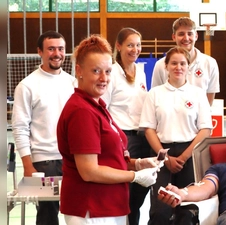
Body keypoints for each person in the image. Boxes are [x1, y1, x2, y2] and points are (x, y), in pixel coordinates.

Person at [56, 34, 159, 225]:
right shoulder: (82, 111)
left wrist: (137, 164)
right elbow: (89, 171)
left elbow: (107, 158)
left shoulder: (96, 106)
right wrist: (135, 176)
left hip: (107, 205)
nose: (104, 78)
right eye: (96, 71)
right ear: (79, 70)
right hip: (92, 208)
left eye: (108, 71)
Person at [140, 46, 213, 225]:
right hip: (161, 154)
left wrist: (183, 156)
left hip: (189, 153)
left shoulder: (197, 94)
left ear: (188, 67)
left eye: (182, 63)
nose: (178, 67)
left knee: (187, 209)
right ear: (166, 66)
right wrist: (166, 159)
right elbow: (149, 129)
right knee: (160, 209)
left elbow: (205, 129)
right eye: (173, 63)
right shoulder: (155, 94)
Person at [11, 30, 75, 225]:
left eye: (61, 49)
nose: (57, 53)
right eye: (51, 49)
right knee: (47, 216)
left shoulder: (73, 83)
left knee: (77, 212)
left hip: (73, 159)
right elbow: (20, 127)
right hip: (44, 162)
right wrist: (28, 165)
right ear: (40, 51)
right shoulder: (27, 85)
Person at [101, 27, 152, 225]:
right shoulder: (111, 73)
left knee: (141, 189)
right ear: (119, 46)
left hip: (143, 136)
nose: (135, 49)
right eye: (130, 45)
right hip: (123, 138)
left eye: (138, 45)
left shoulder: (140, 72)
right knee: (125, 191)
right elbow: (103, 109)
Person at [151, 17, 220, 106]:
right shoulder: (161, 65)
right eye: (181, 34)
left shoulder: (210, 63)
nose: (186, 38)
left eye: (190, 34)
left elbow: (209, 98)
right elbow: (156, 96)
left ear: (196, 36)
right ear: (174, 37)